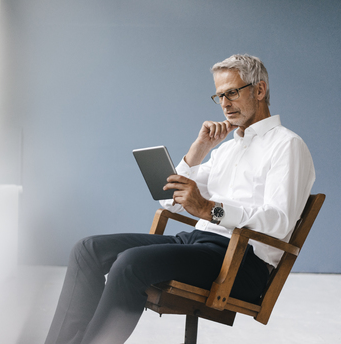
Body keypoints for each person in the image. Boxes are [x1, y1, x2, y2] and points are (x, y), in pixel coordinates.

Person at [43, 54, 315, 344]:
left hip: (241, 262)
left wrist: (210, 209)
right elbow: (168, 200)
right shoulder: (227, 150)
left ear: (259, 90)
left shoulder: (287, 145)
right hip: (197, 244)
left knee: (131, 263)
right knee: (87, 250)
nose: (224, 104)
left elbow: (279, 221)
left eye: (232, 92)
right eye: (219, 96)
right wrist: (199, 149)